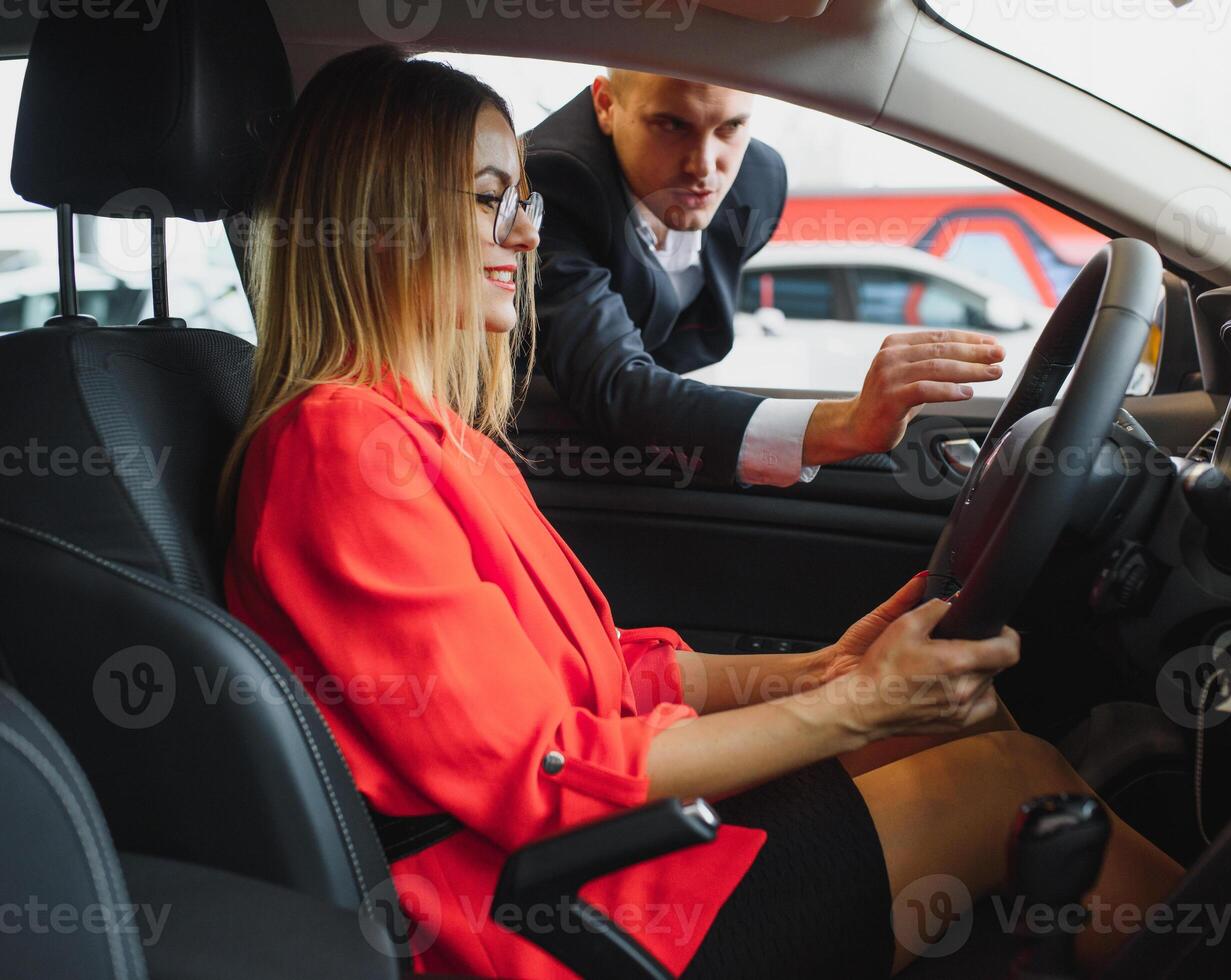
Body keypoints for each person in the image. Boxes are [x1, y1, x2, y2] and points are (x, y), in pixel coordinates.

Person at [223, 46, 1181, 979]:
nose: (524, 233)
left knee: (963, 727)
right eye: (488, 200)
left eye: (524, 200)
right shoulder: (344, 446)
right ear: (380, 222)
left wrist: (825, 671)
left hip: (610, 860)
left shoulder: (443, 439)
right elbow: (545, 770)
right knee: (1005, 782)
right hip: (548, 919)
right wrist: (856, 705)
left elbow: (613, 675)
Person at [526, 70, 1007, 486]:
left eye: (731, 126)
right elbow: (615, 385)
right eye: (671, 125)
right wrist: (844, 424)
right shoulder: (552, 184)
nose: (703, 167)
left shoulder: (758, 181)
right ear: (607, 105)